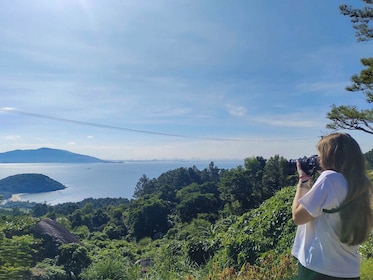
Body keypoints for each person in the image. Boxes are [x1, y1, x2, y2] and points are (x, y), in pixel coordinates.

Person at [291, 133, 373, 279]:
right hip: (349, 270)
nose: (318, 160)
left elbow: (298, 217)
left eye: (320, 155)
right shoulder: (362, 184)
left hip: (319, 268)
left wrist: (303, 181)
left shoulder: (329, 179)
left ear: (331, 156)